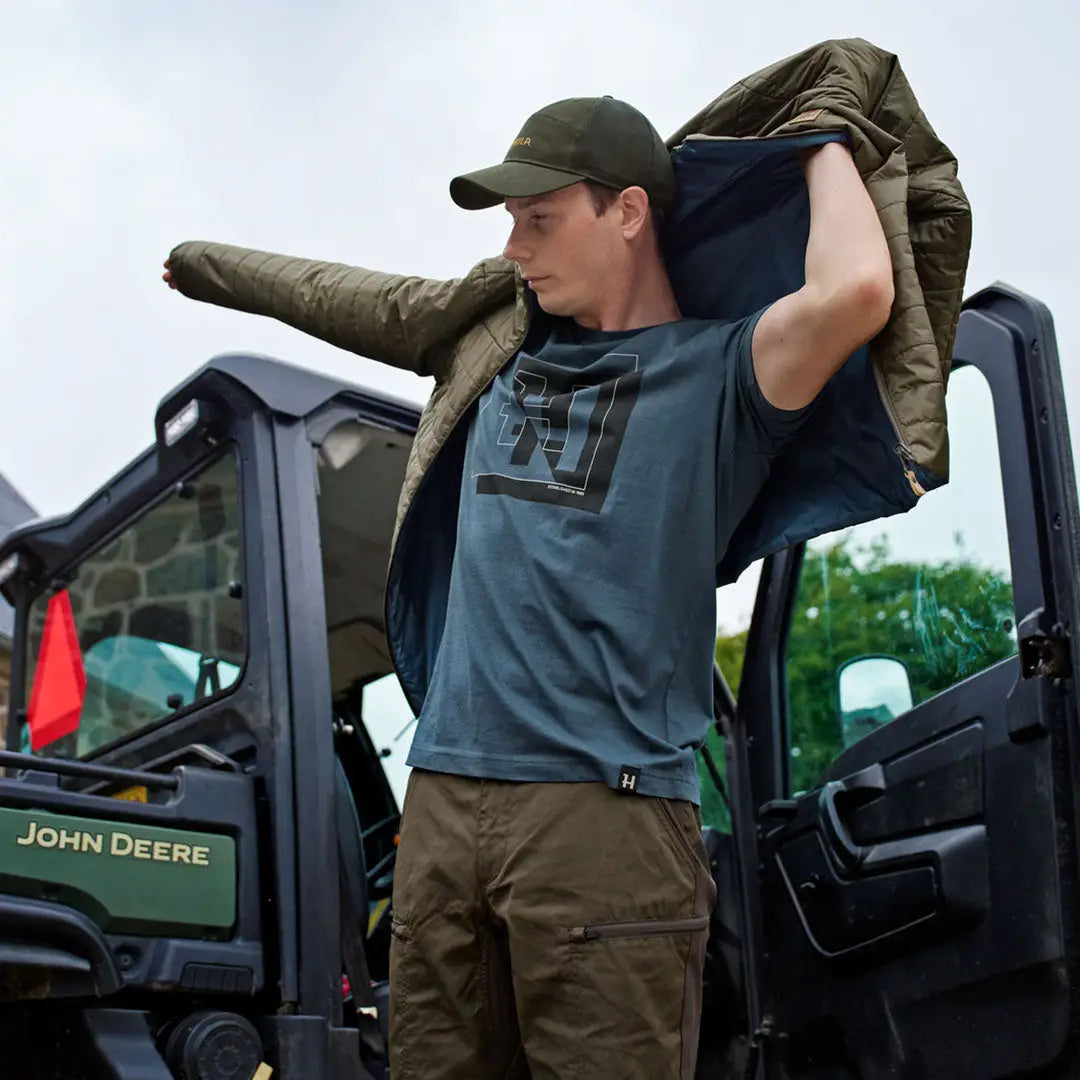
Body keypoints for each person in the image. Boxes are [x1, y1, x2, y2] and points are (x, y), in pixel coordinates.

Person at [165, 95, 893, 1079]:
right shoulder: (492, 342)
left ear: (628, 213)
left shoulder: (720, 375)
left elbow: (855, 289)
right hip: (443, 808)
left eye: (539, 219)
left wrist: (818, 128)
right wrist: (209, 266)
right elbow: (348, 294)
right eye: (510, 223)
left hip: (603, 819)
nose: (514, 246)